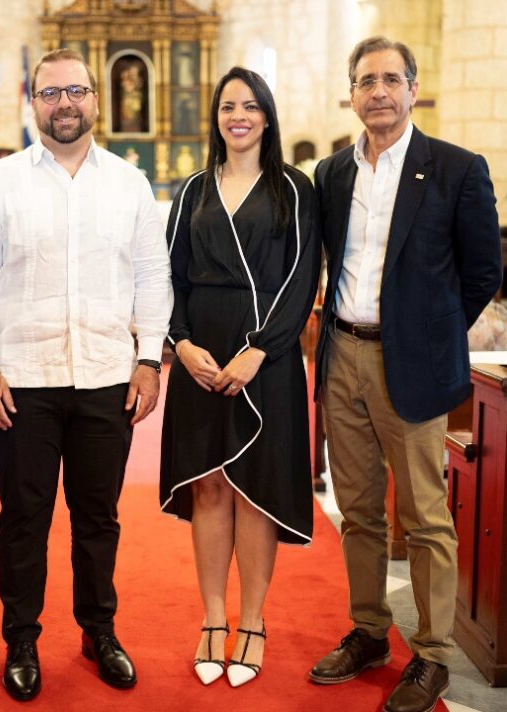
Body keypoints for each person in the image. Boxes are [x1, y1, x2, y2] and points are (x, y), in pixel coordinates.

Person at [0, 48, 172, 702]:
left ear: (96, 99)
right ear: (34, 103)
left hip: (106, 375)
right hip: (23, 379)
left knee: (98, 517)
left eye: (76, 91)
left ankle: (98, 631)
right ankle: (21, 638)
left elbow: (152, 275)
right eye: (51, 93)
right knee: (24, 516)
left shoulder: (129, 184)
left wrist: (148, 358)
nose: (65, 104)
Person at [309, 37, 502, 712]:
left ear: (413, 90)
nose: (380, 92)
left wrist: (430, 333)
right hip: (342, 354)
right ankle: (369, 631)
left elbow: (483, 271)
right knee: (358, 510)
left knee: (424, 516)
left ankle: (433, 654)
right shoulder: (332, 173)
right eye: (367, 81)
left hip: (411, 362)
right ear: (352, 95)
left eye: (392, 80)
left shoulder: (455, 168)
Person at [159, 66, 321, 689]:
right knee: (208, 487)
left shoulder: (294, 189)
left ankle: (252, 620)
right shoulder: (192, 191)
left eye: (251, 106)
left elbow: (302, 277)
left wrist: (261, 350)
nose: (239, 116)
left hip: (265, 360)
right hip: (201, 359)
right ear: (216, 117)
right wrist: (182, 343)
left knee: (254, 491)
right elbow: (170, 276)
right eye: (229, 106)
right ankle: (212, 616)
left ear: (268, 116)